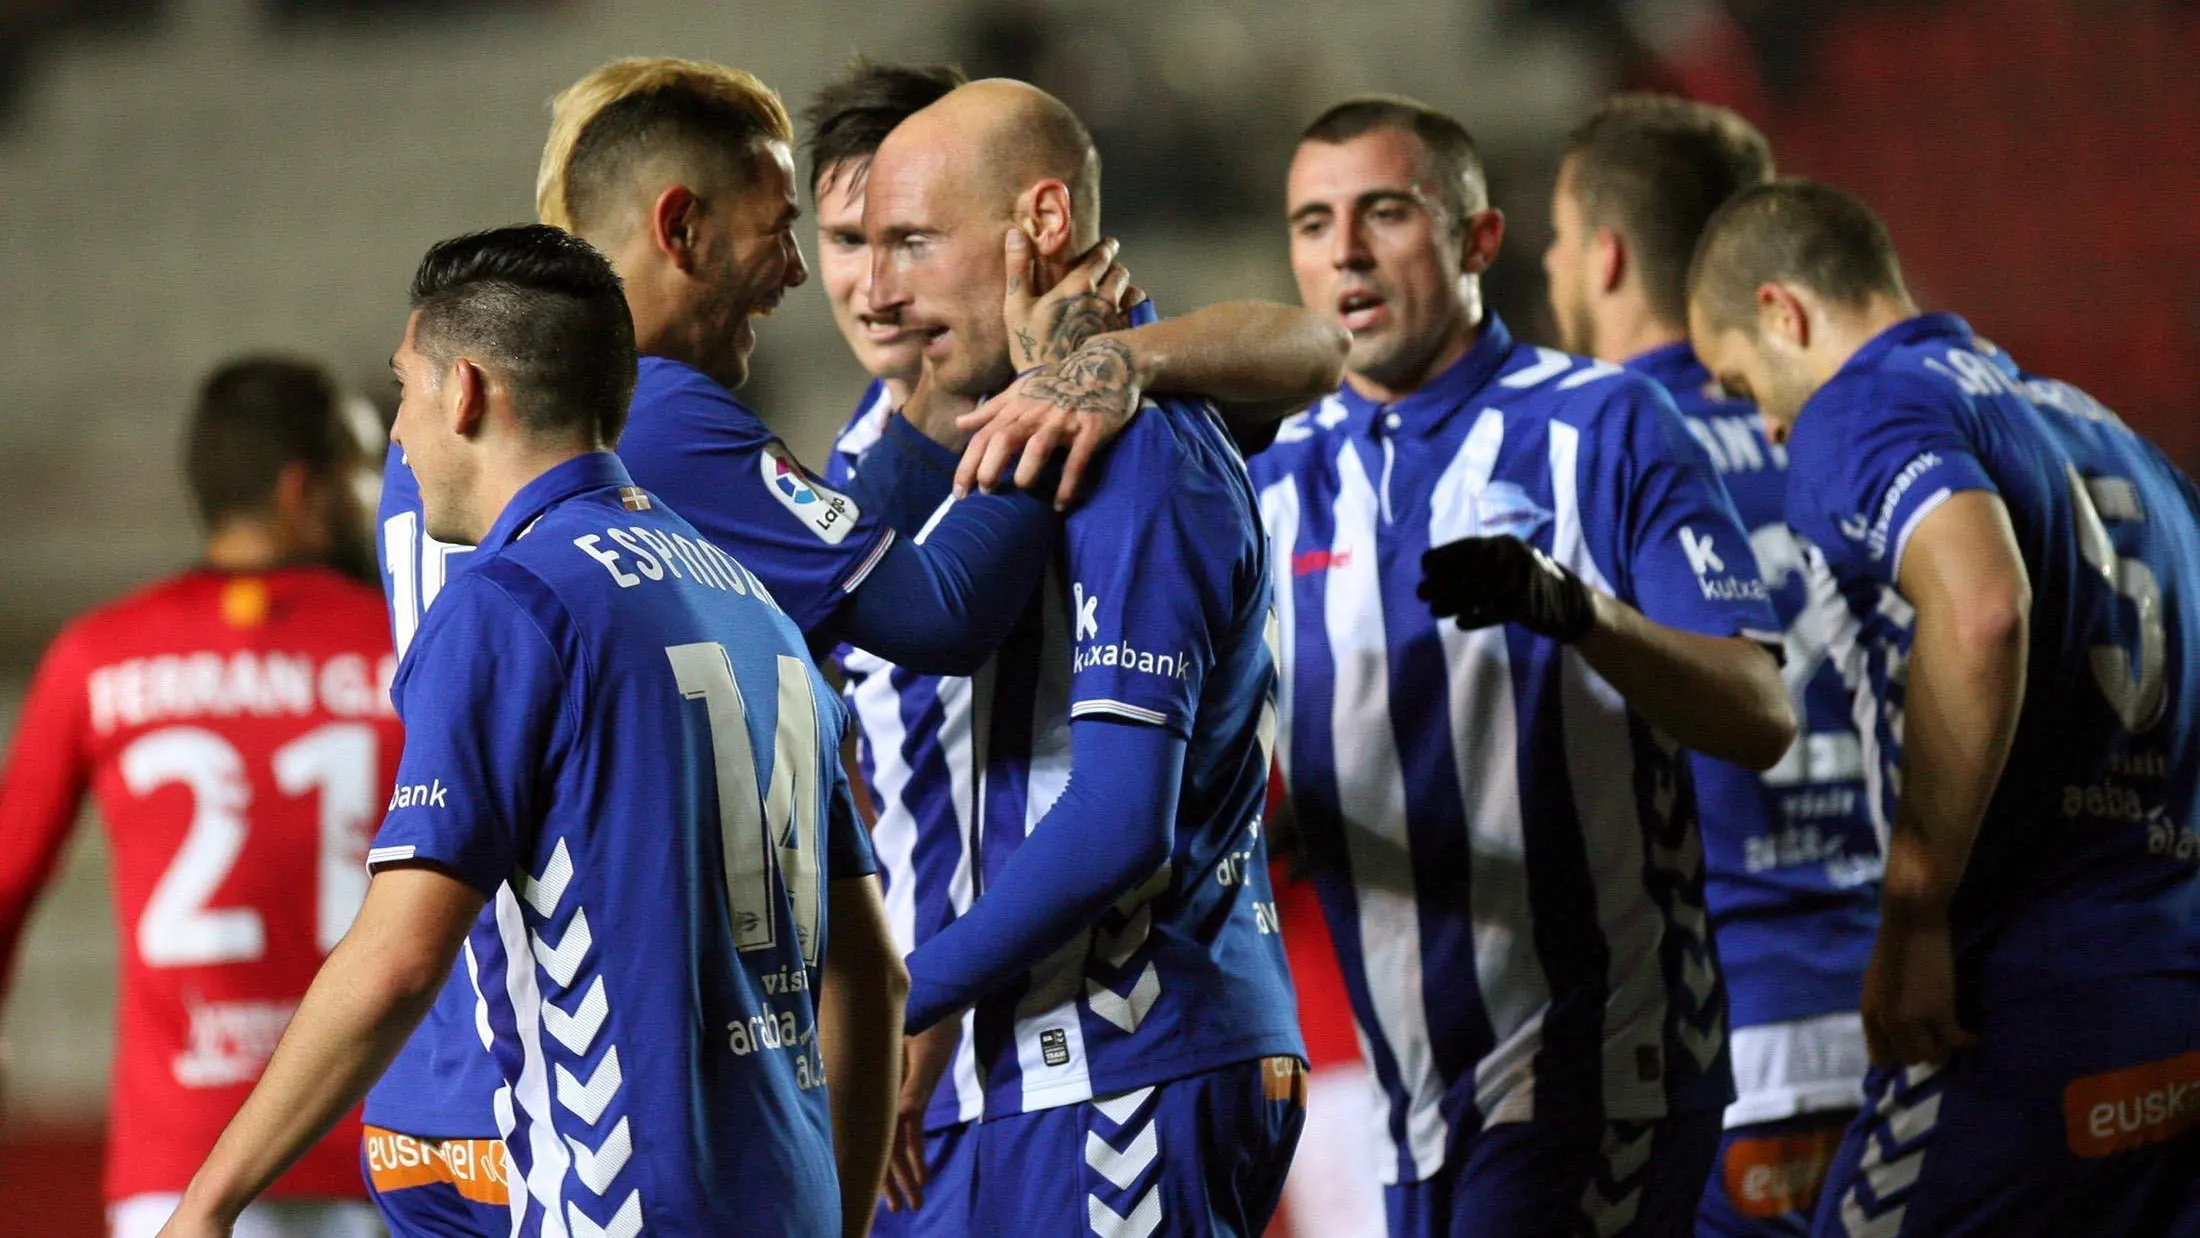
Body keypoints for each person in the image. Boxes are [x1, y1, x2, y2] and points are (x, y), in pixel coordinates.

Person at [158, 224, 901, 1238]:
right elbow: (869, 972)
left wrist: (207, 1202)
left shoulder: (510, 603)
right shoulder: (752, 605)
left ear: (465, 390)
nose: (404, 437)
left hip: (620, 1205)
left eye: (405, 390)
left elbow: (399, 956)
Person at [802, 56, 1350, 1234]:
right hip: (970, 1069)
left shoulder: (1128, 436)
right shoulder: (882, 444)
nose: (873, 287)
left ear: (1039, 221)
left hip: (1118, 1058)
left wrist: (886, 995)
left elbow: (1114, 816)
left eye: (907, 239)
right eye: (850, 243)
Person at [1253, 94, 1797, 1238]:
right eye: (1312, 222)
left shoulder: (1605, 424)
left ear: (1478, 240)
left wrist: (1578, 611)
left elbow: (1758, 709)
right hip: (1405, 1098)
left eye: (1383, 211)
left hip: (1600, 1066)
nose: (1343, 248)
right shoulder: (1268, 481)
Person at [1689, 179, 2200, 1238]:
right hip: (2170, 985)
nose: (1769, 424)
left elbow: (1982, 606)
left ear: (1784, 311)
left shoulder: (1862, 406)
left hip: (2018, 1009)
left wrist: (1915, 902)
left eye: (1743, 385)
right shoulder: (2103, 428)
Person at [1545, 96, 1878, 1236]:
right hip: (1899, 1004)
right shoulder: (1849, 427)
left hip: (1720, 1036)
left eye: (1554, 238)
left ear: (1605, 253)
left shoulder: (1589, 445)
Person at [0, 357, 396, 1238]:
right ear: (305, 489)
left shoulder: (97, 657)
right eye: (360, 470)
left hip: (178, 1169)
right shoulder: (405, 651)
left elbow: (5, 875)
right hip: (385, 1150)